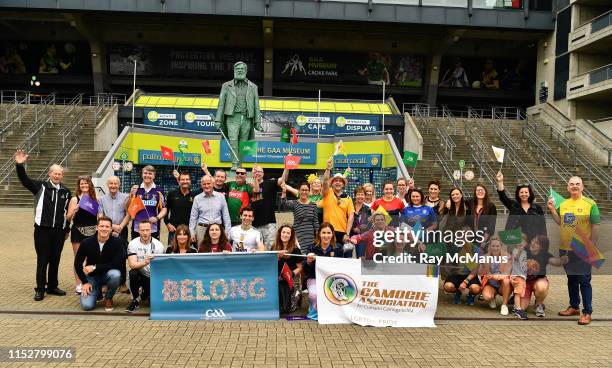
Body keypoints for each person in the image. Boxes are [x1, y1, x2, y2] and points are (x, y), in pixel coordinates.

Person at [15, 149, 71, 301]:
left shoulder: (66, 191)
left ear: (62, 175)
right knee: (43, 259)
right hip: (42, 230)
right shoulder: (40, 187)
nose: (57, 176)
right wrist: (20, 165)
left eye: (60, 174)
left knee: (55, 259)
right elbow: (24, 180)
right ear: (50, 174)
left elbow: (68, 212)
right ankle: (40, 288)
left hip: (59, 231)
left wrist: (67, 229)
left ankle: (52, 286)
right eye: (55, 173)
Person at [548, 176, 600, 325]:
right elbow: (561, 222)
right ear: (568, 187)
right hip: (565, 249)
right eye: (572, 184)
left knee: (584, 280)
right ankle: (574, 306)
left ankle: (587, 312)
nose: (574, 186)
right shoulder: (563, 204)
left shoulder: (590, 204)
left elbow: (596, 225)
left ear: (582, 187)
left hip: (582, 249)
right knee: (571, 279)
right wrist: (552, 210)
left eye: (577, 184)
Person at [214, 61, 264, 170]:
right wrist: (218, 120)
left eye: (242, 69)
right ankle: (234, 164)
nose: (240, 71)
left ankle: (240, 164)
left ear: (246, 71)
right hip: (232, 117)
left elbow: (256, 105)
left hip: (247, 118)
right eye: (237, 69)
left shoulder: (253, 87)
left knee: (243, 143)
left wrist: (258, 122)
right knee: (233, 140)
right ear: (234, 71)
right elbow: (221, 103)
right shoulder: (226, 86)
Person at [74, 216, 124, 311]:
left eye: (107, 227)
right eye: (101, 226)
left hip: (108, 275)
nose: (104, 229)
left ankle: (108, 297)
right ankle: (97, 293)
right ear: (97, 227)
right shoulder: (86, 242)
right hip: (92, 277)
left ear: (110, 229)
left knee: (116, 274)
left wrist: (94, 267)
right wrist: (84, 282)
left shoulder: (117, 242)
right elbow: (77, 263)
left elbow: (117, 264)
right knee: (87, 306)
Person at [520, 235, 568, 318]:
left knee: (541, 287)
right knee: (522, 307)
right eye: (533, 241)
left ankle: (539, 304)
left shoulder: (545, 255)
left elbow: (555, 262)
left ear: (542, 247)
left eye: (537, 243)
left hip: (538, 280)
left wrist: (562, 261)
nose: (533, 243)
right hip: (525, 282)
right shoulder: (525, 251)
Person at [66, 175, 100, 294]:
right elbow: (68, 218)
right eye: (82, 184)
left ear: (90, 184)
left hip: (92, 231)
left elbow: (98, 217)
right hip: (78, 231)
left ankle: (90, 281)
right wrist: (74, 211)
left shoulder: (95, 199)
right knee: (79, 259)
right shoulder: (75, 199)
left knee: (91, 258)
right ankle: (79, 284)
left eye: (86, 183)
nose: (84, 185)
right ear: (79, 186)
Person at [303, 223, 343, 320]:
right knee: (314, 295)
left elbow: (342, 266)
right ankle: (314, 308)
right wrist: (308, 261)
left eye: (328, 233)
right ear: (319, 234)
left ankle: (327, 310)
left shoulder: (338, 248)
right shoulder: (311, 248)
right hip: (314, 278)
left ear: (332, 234)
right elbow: (305, 269)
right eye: (323, 233)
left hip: (332, 279)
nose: (326, 235)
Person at [125, 220, 165, 313]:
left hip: (153, 277)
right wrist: (146, 262)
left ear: (152, 230)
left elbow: (161, 269)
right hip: (139, 274)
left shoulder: (159, 246)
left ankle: (146, 293)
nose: (145, 233)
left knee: (152, 302)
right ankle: (135, 300)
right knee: (132, 273)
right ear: (138, 231)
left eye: (147, 230)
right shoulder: (133, 243)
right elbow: (132, 264)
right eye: (142, 230)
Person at [496, 171, 546, 241]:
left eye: (526, 192)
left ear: (530, 194)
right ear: (518, 194)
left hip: (533, 243)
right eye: (521, 192)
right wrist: (500, 182)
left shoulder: (537, 208)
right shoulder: (513, 205)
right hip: (515, 242)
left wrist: (543, 242)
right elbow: (503, 197)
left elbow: (543, 227)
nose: (524, 194)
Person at [251, 165, 288, 249]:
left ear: (263, 173)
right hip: (253, 225)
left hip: (269, 224)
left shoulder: (270, 183)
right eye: (255, 171)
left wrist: (287, 167)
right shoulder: (249, 187)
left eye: (259, 171)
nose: (257, 173)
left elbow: (283, 179)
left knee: (270, 249)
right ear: (252, 173)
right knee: (255, 251)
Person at [321, 158, 355, 248]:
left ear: (343, 184)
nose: (338, 182)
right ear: (332, 183)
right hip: (327, 231)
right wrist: (328, 169)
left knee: (340, 258)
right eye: (336, 180)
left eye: (340, 181)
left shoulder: (348, 198)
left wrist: (347, 233)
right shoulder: (328, 193)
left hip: (342, 232)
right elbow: (324, 182)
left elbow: (351, 216)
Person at [189, 175, 231, 246]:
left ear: (213, 184)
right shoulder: (197, 198)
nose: (206, 186)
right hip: (202, 229)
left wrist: (227, 231)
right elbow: (193, 217)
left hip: (217, 229)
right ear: (201, 185)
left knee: (218, 251)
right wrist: (192, 232)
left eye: (208, 183)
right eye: (204, 184)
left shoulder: (221, 197)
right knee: (202, 251)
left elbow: (226, 215)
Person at [443, 229, 481, 305]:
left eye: (467, 235)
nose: (463, 237)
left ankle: (471, 295)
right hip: (456, 274)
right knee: (447, 287)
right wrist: (448, 268)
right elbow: (447, 263)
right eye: (461, 235)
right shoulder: (454, 248)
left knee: (475, 289)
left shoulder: (476, 249)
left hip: (470, 275)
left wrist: (465, 281)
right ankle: (458, 292)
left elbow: (476, 268)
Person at [280, 181, 319, 254]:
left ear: (309, 191)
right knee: (300, 255)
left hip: (310, 236)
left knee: (310, 255)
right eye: (302, 190)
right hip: (298, 236)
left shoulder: (313, 205)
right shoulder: (294, 203)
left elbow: (316, 222)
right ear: (299, 191)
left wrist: (318, 237)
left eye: (306, 190)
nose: (304, 192)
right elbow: (283, 204)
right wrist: (284, 191)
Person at [130, 165, 167, 240]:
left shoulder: (159, 191)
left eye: (150, 174)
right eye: (145, 173)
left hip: (153, 228)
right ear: (142, 174)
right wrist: (131, 195)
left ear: (154, 176)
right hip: (137, 228)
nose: (147, 175)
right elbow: (128, 207)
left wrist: (157, 218)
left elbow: (164, 208)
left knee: (153, 250)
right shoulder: (136, 189)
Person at [272, 225, 303, 314]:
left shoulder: (296, 249)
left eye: (288, 233)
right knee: (279, 308)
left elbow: (300, 268)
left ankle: (297, 295)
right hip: (278, 277)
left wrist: (291, 274)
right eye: (283, 232)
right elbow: (271, 264)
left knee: (288, 309)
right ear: (280, 233)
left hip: (292, 278)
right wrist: (277, 257)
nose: (285, 235)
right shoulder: (274, 247)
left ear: (291, 235)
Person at [478, 236, 512, 316]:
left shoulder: (507, 256)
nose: (495, 248)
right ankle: (492, 297)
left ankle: (504, 305)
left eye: (497, 246)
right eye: (493, 246)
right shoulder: (485, 257)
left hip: (502, 285)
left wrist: (498, 276)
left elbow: (508, 272)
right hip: (491, 284)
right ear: (489, 246)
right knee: (487, 296)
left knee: (506, 280)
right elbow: (480, 273)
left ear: (501, 246)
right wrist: (484, 272)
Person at [164, 171, 195, 245]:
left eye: (187, 179)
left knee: (189, 254)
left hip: (189, 231)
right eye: (183, 179)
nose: (185, 181)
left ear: (190, 181)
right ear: (179, 181)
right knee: (172, 253)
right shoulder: (172, 194)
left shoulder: (195, 195)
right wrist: (168, 224)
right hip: (174, 230)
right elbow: (165, 210)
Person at [98, 175, 131, 241]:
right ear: (107, 185)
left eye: (115, 184)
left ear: (119, 185)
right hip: (107, 229)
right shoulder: (102, 199)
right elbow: (100, 216)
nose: (113, 186)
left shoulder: (126, 197)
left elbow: (128, 214)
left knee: (121, 249)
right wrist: (112, 226)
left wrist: (120, 227)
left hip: (122, 229)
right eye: (111, 183)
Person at [509, 236, 529, 320]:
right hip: (517, 276)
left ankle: (515, 307)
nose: (521, 244)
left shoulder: (525, 252)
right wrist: (520, 251)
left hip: (523, 277)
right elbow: (516, 258)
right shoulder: (515, 251)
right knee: (518, 293)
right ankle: (518, 309)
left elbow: (524, 265)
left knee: (521, 293)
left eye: (522, 242)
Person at [350, 186, 372, 259]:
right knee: (349, 258)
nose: (360, 196)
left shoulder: (367, 209)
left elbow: (368, 224)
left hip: (362, 237)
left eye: (362, 194)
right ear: (355, 195)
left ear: (365, 196)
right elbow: (346, 219)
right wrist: (353, 229)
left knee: (361, 258)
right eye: (358, 194)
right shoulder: (350, 206)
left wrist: (361, 229)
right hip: (350, 235)